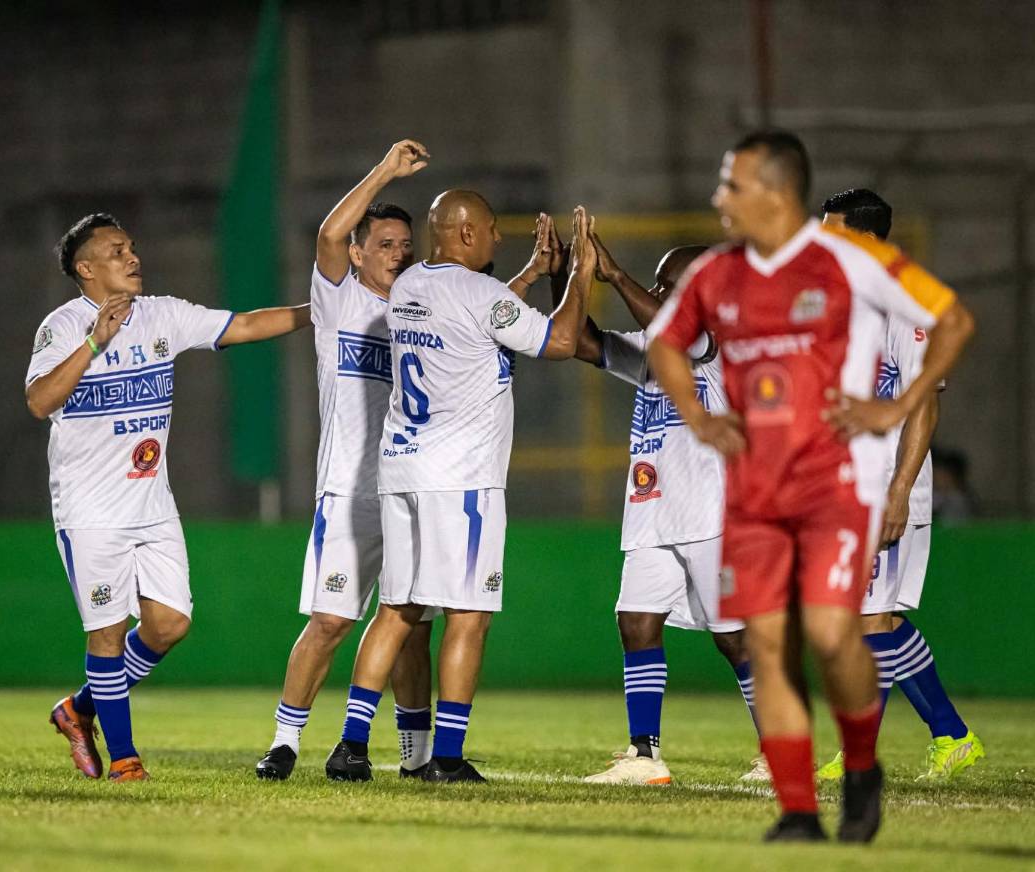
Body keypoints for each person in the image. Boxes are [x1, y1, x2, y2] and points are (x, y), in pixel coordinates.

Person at [647, 131, 975, 842]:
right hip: (754, 494)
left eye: (730, 184)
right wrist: (700, 417)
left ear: (775, 191)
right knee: (768, 644)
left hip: (836, 490)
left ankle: (863, 768)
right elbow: (664, 342)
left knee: (837, 635)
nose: (717, 199)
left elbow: (953, 319)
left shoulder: (861, 266)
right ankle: (797, 811)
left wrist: (894, 406)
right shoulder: (717, 272)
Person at [324, 195, 597, 783]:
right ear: (467, 232)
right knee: (469, 615)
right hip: (462, 478)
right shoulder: (481, 295)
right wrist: (580, 274)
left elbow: (474, 316)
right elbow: (563, 341)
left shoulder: (408, 286)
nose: (498, 239)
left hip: (402, 469)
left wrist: (523, 278)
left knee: (398, 610)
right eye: (494, 229)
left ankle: (349, 745)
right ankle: (446, 756)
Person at [28, 213, 310, 781]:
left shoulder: (164, 314)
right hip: (89, 509)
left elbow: (249, 325)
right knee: (106, 632)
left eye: (131, 247)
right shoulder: (61, 327)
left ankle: (78, 710)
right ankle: (126, 760)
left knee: (169, 624)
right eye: (115, 251)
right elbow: (39, 401)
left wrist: (323, 311)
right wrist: (93, 343)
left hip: (152, 504)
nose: (132, 257)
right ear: (86, 269)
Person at [256, 140, 438, 781]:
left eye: (404, 244)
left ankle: (416, 756)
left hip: (412, 488)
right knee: (331, 620)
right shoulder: (340, 301)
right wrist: (386, 169)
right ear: (359, 253)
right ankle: (285, 741)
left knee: (413, 625)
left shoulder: (422, 310)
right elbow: (330, 232)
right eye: (383, 244)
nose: (398, 254)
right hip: (349, 489)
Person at [557, 233, 762, 785]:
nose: (656, 291)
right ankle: (645, 757)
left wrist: (616, 275)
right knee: (637, 623)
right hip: (653, 509)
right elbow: (578, 341)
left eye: (668, 285)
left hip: (711, 511)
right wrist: (570, 275)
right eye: (656, 283)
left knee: (734, 637)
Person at [816, 189, 984, 781]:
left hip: (889, 483)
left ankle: (859, 753)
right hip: (851, 482)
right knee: (875, 619)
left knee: (864, 623)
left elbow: (922, 408)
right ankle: (952, 734)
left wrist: (898, 491)